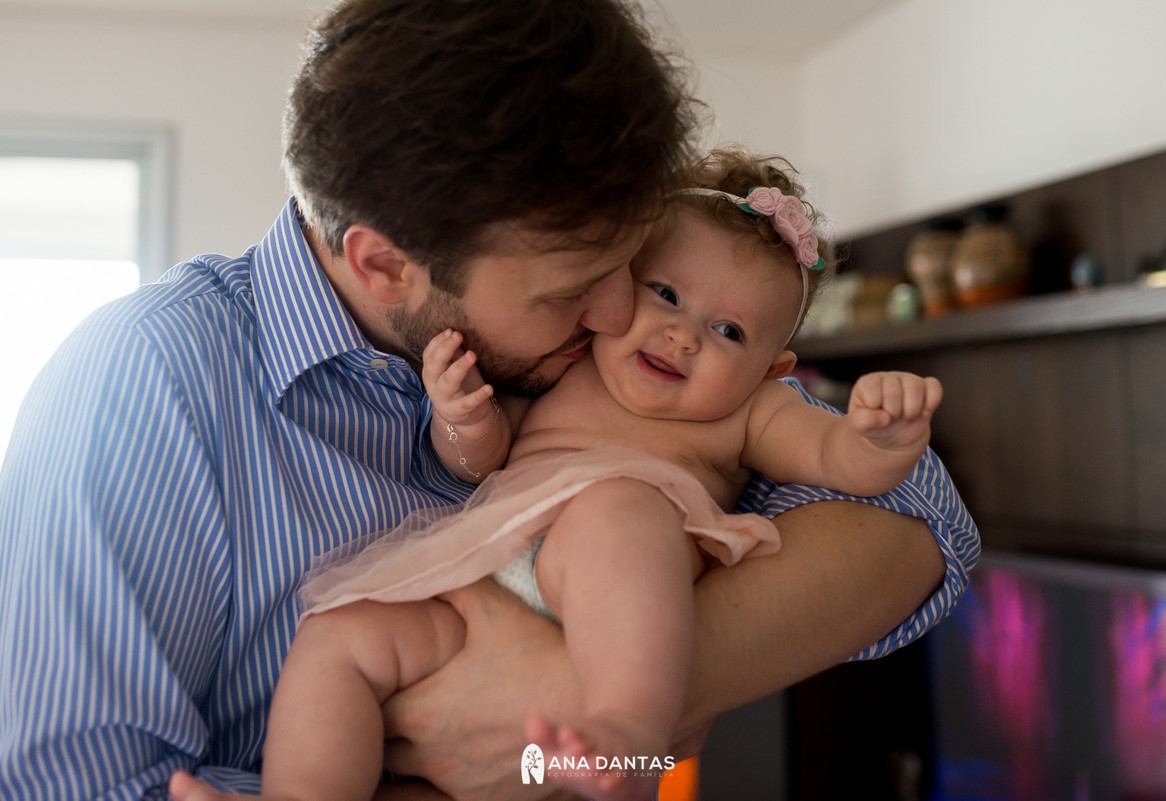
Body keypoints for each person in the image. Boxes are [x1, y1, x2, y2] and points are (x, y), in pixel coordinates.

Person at [0, 1, 978, 800]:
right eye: (567, 290)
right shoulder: (146, 387)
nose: (613, 318)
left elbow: (915, 512)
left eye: (629, 269)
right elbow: (72, 784)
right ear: (385, 264)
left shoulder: (623, 357)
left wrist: (590, 698)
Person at [171, 149, 947, 801]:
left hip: (608, 600)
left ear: (771, 366)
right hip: (485, 579)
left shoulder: (752, 408)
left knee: (616, 508)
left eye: (728, 330)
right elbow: (476, 461)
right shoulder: (569, 356)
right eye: (666, 294)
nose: (681, 334)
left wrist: (880, 434)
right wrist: (464, 418)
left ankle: (627, 729)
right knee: (340, 635)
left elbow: (841, 464)